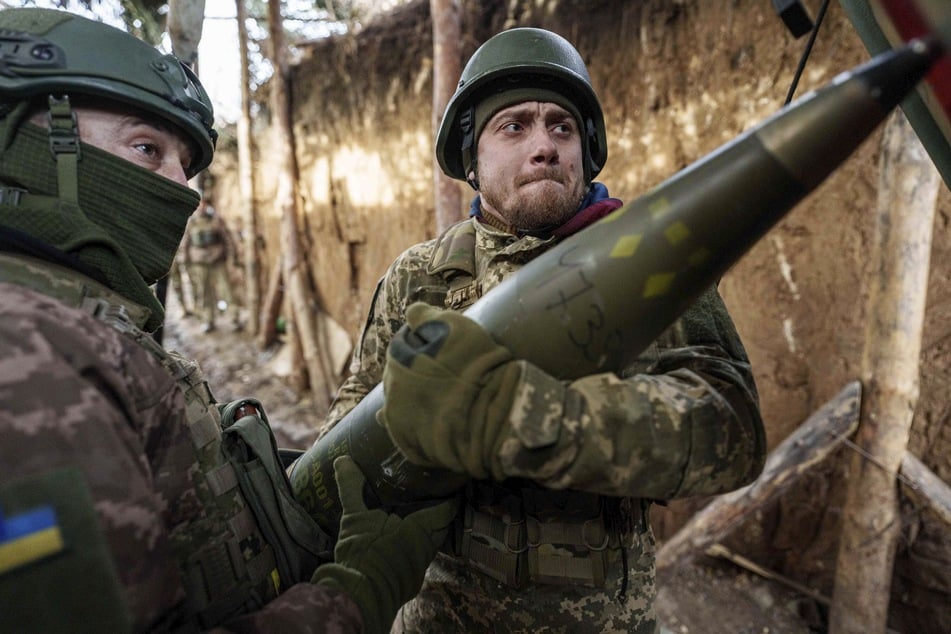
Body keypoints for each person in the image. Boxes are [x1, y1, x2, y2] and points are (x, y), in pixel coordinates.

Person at [0, 8, 455, 634]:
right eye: (145, 148)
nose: (179, 191)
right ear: (31, 138)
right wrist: (357, 592)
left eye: (184, 167)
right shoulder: (30, 353)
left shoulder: (78, 322)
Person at [321, 28, 767, 632]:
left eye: (562, 127)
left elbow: (732, 430)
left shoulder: (642, 259)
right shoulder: (419, 278)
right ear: (472, 158)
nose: (545, 146)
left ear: (585, 149)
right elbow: (349, 435)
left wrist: (532, 418)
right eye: (513, 126)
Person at [183, 196, 240, 332]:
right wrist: (186, 261)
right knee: (204, 292)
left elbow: (227, 238)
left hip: (217, 260)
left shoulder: (216, 220)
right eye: (198, 205)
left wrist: (232, 255)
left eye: (203, 204)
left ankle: (234, 318)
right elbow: (186, 243)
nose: (201, 207)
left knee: (226, 289)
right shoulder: (192, 223)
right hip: (199, 263)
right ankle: (208, 320)